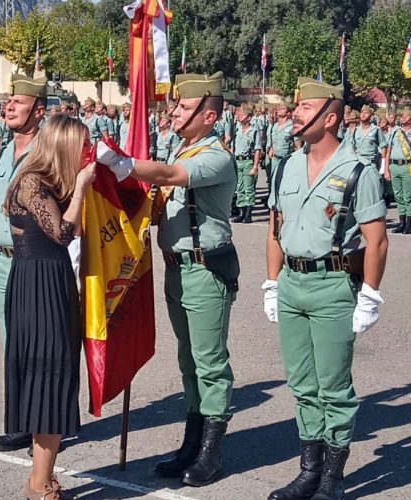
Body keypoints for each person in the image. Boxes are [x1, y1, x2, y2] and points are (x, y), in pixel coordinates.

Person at [99, 71, 238, 487]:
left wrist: (124, 165)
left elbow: (172, 176)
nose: (175, 112)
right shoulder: (184, 149)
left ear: (208, 115)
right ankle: (191, 443)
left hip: (206, 269)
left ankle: (211, 451)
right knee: (188, 361)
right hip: (178, 268)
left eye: (184, 106)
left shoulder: (215, 155)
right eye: (176, 106)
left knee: (210, 363)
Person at [263, 77, 389, 500]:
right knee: (302, 385)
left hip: (333, 284)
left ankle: (332, 478)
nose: (294, 113)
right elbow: (274, 230)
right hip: (292, 283)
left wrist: (369, 295)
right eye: (296, 107)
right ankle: (308, 471)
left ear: (329, 117)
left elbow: (377, 239)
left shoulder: (358, 171)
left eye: (303, 107)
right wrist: (270, 282)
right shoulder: (286, 165)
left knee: (334, 387)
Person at [3, 114, 96, 500]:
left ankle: (42, 477)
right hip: (37, 287)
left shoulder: (49, 183)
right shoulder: (32, 182)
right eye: (82, 146)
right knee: (47, 379)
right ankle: (39, 484)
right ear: (64, 147)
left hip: (51, 284)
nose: (86, 154)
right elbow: (61, 233)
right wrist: (81, 191)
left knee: (56, 379)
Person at [0, 75, 47, 457]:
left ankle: (45, 422)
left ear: (38, 111)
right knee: (13, 344)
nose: (8, 106)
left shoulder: (48, 152)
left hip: (34, 260)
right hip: (3, 262)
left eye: (18, 102)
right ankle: (24, 421)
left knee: (39, 344)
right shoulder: (5, 149)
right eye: (8, 101)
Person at [384, 108, 411, 234]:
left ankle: (409, 224)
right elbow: (388, 151)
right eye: (402, 115)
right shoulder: (395, 132)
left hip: (408, 166)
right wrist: (387, 169)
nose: (403, 117)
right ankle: (401, 222)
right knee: (398, 196)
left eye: (406, 116)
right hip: (395, 166)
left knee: (408, 196)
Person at [231, 103, 262, 223]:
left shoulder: (253, 131)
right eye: (239, 114)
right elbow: (233, 146)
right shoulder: (237, 129)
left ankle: (248, 214)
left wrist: (255, 166)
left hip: (248, 161)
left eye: (243, 114)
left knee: (249, 188)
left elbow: (257, 149)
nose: (240, 116)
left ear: (249, 117)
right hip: (237, 161)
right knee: (239, 188)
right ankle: (241, 213)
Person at [350, 105, 385, 172]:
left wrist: (383, 166)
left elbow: (383, 147)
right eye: (362, 112)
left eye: (366, 113)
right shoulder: (355, 130)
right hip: (358, 164)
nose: (363, 114)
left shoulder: (376, 130)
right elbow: (352, 148)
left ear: (371, 115)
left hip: (371, 164)